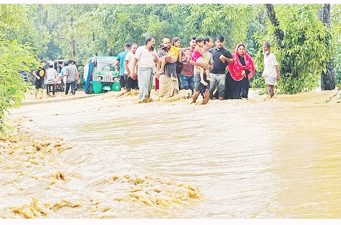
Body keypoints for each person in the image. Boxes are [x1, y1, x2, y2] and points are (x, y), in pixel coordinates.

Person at [209, 36, 234, 100]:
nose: (219, 43)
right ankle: (210, 99)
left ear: (223, 42)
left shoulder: (226, 52)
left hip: (222, 74)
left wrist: (225, 58)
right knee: (211, 88)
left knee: (221, 89)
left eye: (221, 42)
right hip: (212, 73)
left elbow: (232, 61)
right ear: (215, 42)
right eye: (218, 42)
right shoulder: (211, 51)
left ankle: (221, 101)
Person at [133, 36, 157, 103]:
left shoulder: (154, 50)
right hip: (143, 69)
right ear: (148, 42)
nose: (154, 43)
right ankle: (142, 98)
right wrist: (133, 70)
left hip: (151, 68)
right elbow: (135, 60)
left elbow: (155, 61)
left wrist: (156, 70)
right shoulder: (140, 49)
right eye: (153, 41)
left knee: (149, 85)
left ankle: (147, 98)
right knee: (143, 84)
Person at [191, 37, 213, 105]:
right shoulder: (197, 50)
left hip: (206, 74)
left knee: (207, 91)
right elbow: (191, 61)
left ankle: (203, 104)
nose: (212, 44)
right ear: (206, 42)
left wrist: (208, 67)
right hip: (198, 73)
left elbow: (212, 66)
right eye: (211, 42)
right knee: (197, 91)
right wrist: (199, 64)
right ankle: (193, 102)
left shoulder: (210, 54)